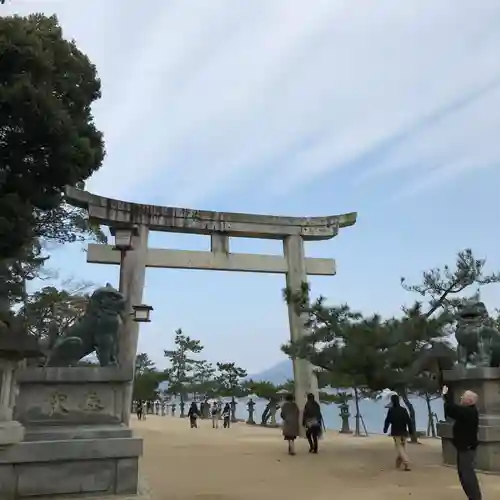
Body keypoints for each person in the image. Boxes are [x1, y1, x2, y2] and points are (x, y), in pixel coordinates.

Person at [442, 385, 482, 500]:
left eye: (463, 397)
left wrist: (445, 396)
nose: (461, 398)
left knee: (467, 475)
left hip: (467, 448)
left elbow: (452, 410)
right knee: (464, 474)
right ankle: (473, 497)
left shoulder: (469, 412)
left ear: (469, 400)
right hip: (464, 448)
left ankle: (475, 498)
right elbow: (454, 410)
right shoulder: (468, 411)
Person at [383, 394, 412, 471]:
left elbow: (387, 420)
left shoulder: (391, 410)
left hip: (396, 432)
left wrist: (385, 429)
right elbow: (409, 421)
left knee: (400, 448)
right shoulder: (404, 410)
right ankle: (398, 463)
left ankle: (407, 463)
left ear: (392, 401)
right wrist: (411, 431)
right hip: (404, 432)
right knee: (402, 448)